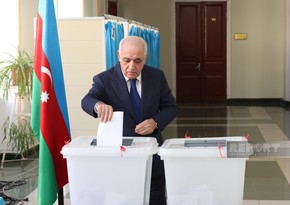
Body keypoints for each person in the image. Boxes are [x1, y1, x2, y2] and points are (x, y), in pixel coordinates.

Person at [81, 36, 178, 205]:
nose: (131, 67)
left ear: (146, 58)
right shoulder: (104, 79)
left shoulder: (157, 77)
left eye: (138, 61)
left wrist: (155, 122)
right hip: (120, 155)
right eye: (126, 60)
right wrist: (98, 105)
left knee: (155, 195)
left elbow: (171, 107)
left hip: (152, 152)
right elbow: (87, 100)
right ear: (118, 56)